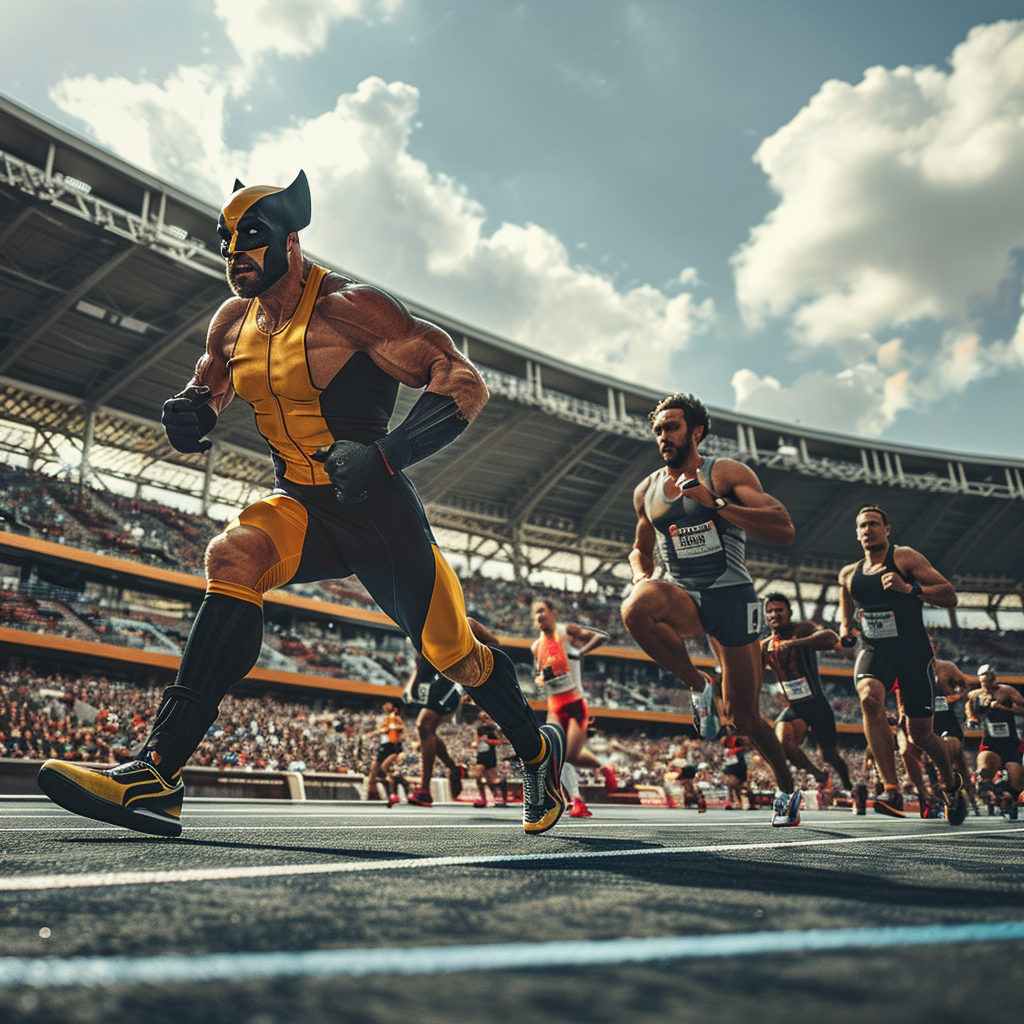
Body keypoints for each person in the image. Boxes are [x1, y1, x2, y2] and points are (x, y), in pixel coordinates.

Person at [37, 171, 566, 837]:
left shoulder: (352, 309)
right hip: (302, 503)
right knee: (233, 553)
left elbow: (462, 382)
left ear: (291, 239)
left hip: (378, 512)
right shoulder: (231, 323)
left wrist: (387, 454)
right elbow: (211, 389)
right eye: (227, 242)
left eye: (250, 239)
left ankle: (536, 746)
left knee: (453, 652)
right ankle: (157, 772)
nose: (236, 255)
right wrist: (190, 413)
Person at [620, 393, 802, 827]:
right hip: (683, 593)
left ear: (696, 431)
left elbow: (783, 527)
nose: (664, 436)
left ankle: (785, 787)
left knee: (744, 716)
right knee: (636, 608)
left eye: (672, 428)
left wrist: (715, 504)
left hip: (731, 596)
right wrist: (640, 575)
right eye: (659, 429)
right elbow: (639, 550)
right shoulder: (646, 490)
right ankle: (698, 683)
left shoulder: (725, 473)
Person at [837, 505, 966, 824]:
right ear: (857, 533)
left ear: (887, 529)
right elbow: (846, 598)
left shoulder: (905, 557)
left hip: (913, 654)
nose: (867, 529)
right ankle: (892, 789)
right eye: (862, 526)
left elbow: (950, 596)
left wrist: (910, 589)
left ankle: (950, 785)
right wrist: (845, 626)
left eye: (873, 524)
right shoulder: (849, 573)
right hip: (873, 649)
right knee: (868, 697)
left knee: (921, 735)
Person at [530, 598, 616, 818]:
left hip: (575, 703)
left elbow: (602, 636)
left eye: (542, 611)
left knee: (570, 755)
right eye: (535, 613)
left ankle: (604, 767)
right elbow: (539, 678)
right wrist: (542, 677)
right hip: (554, 705)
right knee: (557, 755)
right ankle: (576, 801)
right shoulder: (536, 647)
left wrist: (581, 651)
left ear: (553, 613)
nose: (539, 616)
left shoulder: (566, 633)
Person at [402, 616, 499, 806]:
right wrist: (412, 684)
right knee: (426, 730)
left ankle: (424, 789)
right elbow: (419, 658)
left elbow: (494, 643)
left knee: (425, 724)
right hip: (432, 675)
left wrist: (477, 673)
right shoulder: (420, 624)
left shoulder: (466, 623)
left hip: (454, 675)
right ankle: (454, 768)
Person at [761, 593, 852, 791]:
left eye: (779, 610)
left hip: (817, 704)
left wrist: (793, 644)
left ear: (789, 613)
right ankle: (819, 775)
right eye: (769, 611)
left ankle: (848, 786)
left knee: (829, 755)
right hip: (794, 707)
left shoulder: (801, 630)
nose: (774, 614)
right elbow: (751, 672)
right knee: (783, 743)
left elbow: (831, 638)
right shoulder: (765, 646)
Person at [966, 665, 1024, 820]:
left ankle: (1007, 797)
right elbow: (970, 712)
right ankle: (993, 796)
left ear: (994, 678)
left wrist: (1004, 708)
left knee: (1017, 783)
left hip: (1011, 744)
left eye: (990, 681)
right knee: (984, 771)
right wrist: (972, 720)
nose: (987, 686)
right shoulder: (974, 696)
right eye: (984, 682)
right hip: (991, 744)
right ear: (980, 680)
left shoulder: (1007, 691)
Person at [929, 640, 979, 813]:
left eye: (930, 644)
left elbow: (966, 682)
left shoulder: (947, 667)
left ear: (936, 648)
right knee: (932, 761)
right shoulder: (912, 666)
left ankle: (972, 800)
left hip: (946, 718)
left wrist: (958, 696)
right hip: (926, 719)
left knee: (957, 758)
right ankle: (939, 799)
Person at [365, 701, 406, 804]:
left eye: (388, 704)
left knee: (384, 768)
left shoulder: (395, 718)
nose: (386, 706)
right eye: (385, 704)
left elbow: (401, 729)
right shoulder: (384, 718)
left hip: (392, 746)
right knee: (375, 770)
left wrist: (389, 730)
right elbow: (383, 729)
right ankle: (373, 792)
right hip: (384, 745)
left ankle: (394, 792)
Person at [471, 712, 504, 807]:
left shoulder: (494, 729)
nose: (484, 720)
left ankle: (496, 796)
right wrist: (476, 743)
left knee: (490, 780)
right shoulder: (479, 729)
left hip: (490, 754)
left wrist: (488, 741)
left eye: (485, 718)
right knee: (477, 775)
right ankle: (483, 797)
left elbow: (500, 741)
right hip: (481, 755)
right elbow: (475, 742)